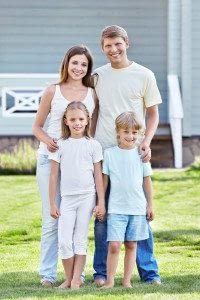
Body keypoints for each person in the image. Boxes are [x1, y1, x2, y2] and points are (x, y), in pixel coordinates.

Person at [92, 25, 162, 286]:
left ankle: (148, 272)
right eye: (108, 46)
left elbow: (153, 114)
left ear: (127, 43)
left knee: (139, 213)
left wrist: (146, 141)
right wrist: (90, 142)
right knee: (103, 214)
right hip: (105, 153)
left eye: (118, 44)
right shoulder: (98, 75)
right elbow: (95, 111)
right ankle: (101, 272)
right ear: (103, 48)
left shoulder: (144, 75)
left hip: (133, 152)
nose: (113, 50)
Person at [32, 45, 98, 287]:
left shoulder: (92, 93)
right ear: (66, 64)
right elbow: (36, 127)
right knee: (52, 217)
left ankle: (76, 276)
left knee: (79, 222)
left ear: (88, 68)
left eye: (83, 64)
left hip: (79, 165)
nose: (79, 68)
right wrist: (49, 141)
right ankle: (47, 274)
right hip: (50, 161)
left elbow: (93, 129)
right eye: (75, 63)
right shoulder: (53, 91)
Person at [48, 101, 105, 289]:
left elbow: (98, 175)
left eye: (81, 119)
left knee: (80, 239)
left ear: (87, 120)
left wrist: (100, 201)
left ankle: (75, 280)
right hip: (67, 199)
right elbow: (54, 175)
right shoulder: (60, 145)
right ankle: (69, 277)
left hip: (87, 197)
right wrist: (52, 204)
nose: (77, 123)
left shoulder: (93, 145)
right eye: (73, 119)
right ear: (66, 121)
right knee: (64, 241)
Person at [101, 112, 154, 288]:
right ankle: (109, 282)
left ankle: (126, 281)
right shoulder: (109, 154)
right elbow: (104, 181)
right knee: (114, 245)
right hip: (116, 208)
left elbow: (147, 181)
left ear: (139, 134)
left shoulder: (142, 155)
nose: (130, 136)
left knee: (131, 245)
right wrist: (101, 203)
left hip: (137, 209)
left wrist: (150, 205)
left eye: (134, 133)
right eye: (126, 132)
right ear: (118, 132)